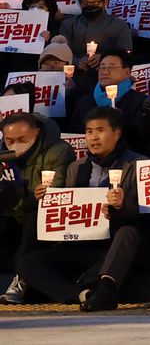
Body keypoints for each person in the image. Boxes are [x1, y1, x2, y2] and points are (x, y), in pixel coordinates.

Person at [15, 107, 147, 311]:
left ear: (117, 133)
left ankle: (98, 290)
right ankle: (80, 295)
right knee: (27, 263)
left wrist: (120, 206)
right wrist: (47, 199)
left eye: (100, 131)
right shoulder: (76, 167)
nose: (93, 137)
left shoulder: (138, 165)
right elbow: (69, 208)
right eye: (89, 131)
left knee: (128, 235)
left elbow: (142, 214)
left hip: (112, 244)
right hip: (79, 243)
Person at [0, 111, 73, 305]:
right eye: (9, 140)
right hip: (9, 212)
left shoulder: (59, 151)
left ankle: (20, 283)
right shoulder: (2, 156)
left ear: (37, 132)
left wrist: (26, 195)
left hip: (40, 216)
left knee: (35, 216)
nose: (15, 145)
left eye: (22, 139)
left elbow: (57, 193)